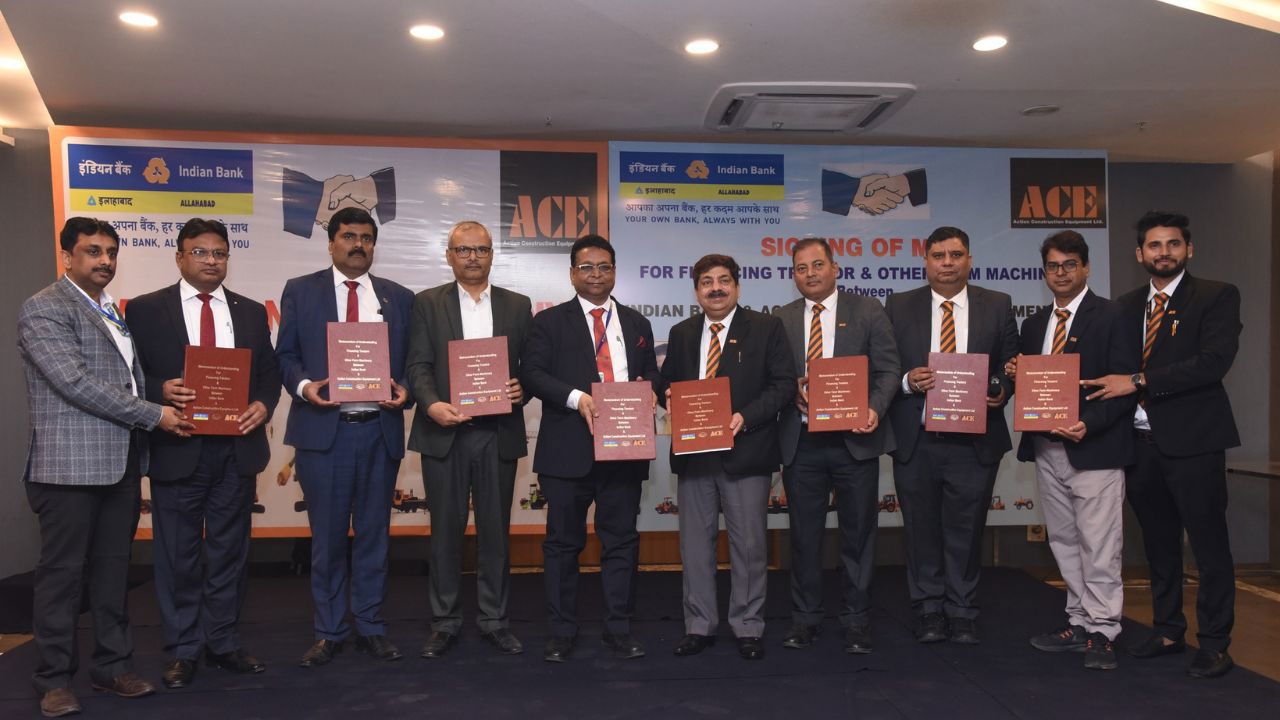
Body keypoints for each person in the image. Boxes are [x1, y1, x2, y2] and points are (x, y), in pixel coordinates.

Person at [18, 217, 192, 717]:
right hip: (68, 469)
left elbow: (123, 380)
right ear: (67, 257)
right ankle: (53, 679)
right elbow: (73, 382)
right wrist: (154, 414)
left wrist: (154, 394)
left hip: (118, 465)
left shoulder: (111, 311)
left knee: (114, 576)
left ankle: (112, 668)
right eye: (93, 252)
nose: (105, 261)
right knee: (62, 580)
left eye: (111, 252)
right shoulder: (45, 307)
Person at [1081, 211, 1240, 679]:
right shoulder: (1126, 306)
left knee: (1209, 546)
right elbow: (1106, 366)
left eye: (1173, 244)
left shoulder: (1215, 296)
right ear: (1140, 254)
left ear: (1187, 250)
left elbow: (1213, 363)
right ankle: (1169, 629)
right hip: (1140, 444)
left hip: (1195, 442)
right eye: (1154, 245)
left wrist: (1138, 379)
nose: (1163, 253)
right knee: (1159, 544)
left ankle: (1214, 642)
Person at [125, 218, 281, 688]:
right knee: (178, 556)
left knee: (230, 553)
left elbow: (269, 374)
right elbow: (128, 373)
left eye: (219, 253)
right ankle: (182, 648)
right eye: (200, 252)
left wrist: (262, 403)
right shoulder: (147, 310)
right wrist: (158, 388)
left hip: (236, 451)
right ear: (179, 257)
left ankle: (224, 642)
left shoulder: (252, 312)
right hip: (179, 446)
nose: (211, 260)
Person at [276, 206, 413, 667]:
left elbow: (414, 363)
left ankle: (371, 626)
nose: (358, 245)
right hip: (324, 433)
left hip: (378, 431)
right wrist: (303, 387)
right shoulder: (300, 292)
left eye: (367, 238)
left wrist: (407, 391)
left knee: (375, 536)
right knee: (328, 539)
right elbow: (286, 356)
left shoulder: (399, 297)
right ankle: (330, 630)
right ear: (331, 242)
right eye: (349, 236)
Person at [521, 235, 660, 662]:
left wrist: (649, 391)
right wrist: (577, 398)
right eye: (586, 267)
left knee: (621, 542)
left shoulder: (637, 324)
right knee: (563, 544)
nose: (595, 274)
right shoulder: (548, 322)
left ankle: (618, 628)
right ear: (572, 273)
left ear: (614, 272)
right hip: (567, 451)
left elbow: (650, 372)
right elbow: (534, 375)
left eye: (603, 267)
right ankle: (562, 631)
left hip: (623, 448)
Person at [1007, 231, 1137, 670]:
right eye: (1053, 266)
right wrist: (1015, 374)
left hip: (1095, 448)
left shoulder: (1114, 315)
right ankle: (1079, 621)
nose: (1060, 273)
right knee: (1064, 541)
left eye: (1069, 265)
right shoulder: (1035, 324)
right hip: (1047, 448)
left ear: (1086, 268)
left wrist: (1089, 423)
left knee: (1100, 544)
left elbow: (1125, 385)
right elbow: (1035, 387)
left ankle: (1104, 629)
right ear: (1044, 272)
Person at [883, 226, 1018, 645]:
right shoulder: (899, 305)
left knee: (966, 528)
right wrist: (907, 380)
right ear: (925, 261)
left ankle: (961, 610)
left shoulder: (997, 305)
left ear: (969, 260)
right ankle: (928, 609)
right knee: (920, 529)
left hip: (973, 442)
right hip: (917, 438)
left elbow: (1011, 364)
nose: (947, 263)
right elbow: (884, 366)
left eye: (955, 254)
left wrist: (998, 390)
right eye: (938, 255)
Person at [660, 254, 796, 661]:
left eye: (723, 280)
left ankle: (748, 626)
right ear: (696, 290)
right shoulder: (681, 332)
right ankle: (699, 625)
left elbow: (784, 385)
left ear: (737, 286)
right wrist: (667, 394)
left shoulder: (768, 328)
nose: (715, 288)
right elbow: (668, 382)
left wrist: (744, 417)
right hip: (695, 455)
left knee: (750, 547)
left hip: (747, 451)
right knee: (695, 547)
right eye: (706, 281)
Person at [406, 221, 531, 658]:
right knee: (445, 532)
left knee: (496, 532)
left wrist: (522, 389)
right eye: (463, 250)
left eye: (480, 249)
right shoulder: (426, 303)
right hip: (445, 431)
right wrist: (431, 404)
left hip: (497, 433)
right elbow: (417, 365)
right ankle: (444, 621)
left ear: (492, 253)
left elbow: (530, 368)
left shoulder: (518, 305)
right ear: (449, 255)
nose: (472, 257)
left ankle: (495, 619)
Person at [772, 238, 900, 654]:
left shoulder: (868, 310)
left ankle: (857, 620)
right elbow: (773, 378)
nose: (810, 273)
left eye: (817, 265)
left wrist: (875, 409)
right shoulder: (782, 318)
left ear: (835, 267)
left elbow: (889, 369)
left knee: (858, 534)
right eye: (801, 268)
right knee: (804, 536)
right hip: (802, 442)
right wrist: (791, 390)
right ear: (793, 275)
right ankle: (805, 619)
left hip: (854, 442)